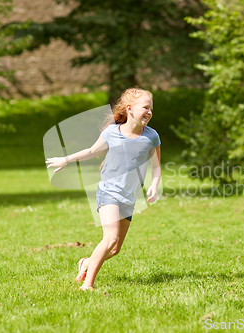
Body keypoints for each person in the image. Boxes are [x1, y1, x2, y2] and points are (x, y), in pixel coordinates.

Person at [46, 88, 161, 291]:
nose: (149, 112)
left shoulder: (151, 137)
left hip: (129, 197)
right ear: (130, 109)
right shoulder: (112, 133)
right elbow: (91, 151)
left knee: (115, 249)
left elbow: (157, 165)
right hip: (109, 191)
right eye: (145, 107)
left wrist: (154, 183)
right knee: (111, 238)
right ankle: (87, 285)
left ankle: (86, 262)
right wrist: (66, 159)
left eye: (151, 108)